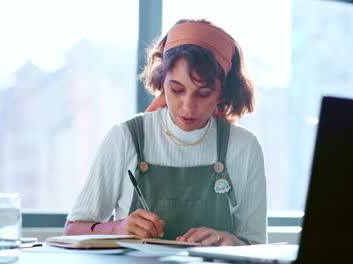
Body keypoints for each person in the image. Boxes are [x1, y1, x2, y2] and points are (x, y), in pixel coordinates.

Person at [64, 18, 267, 246]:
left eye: (203, 93)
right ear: (162, 81)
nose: (188, 106)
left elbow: (257, 247)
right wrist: (116, 228)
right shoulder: (125, 138)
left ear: (222, 92)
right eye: (177, 89)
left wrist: (230, 240)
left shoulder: (244, 147)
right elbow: (72, 231)